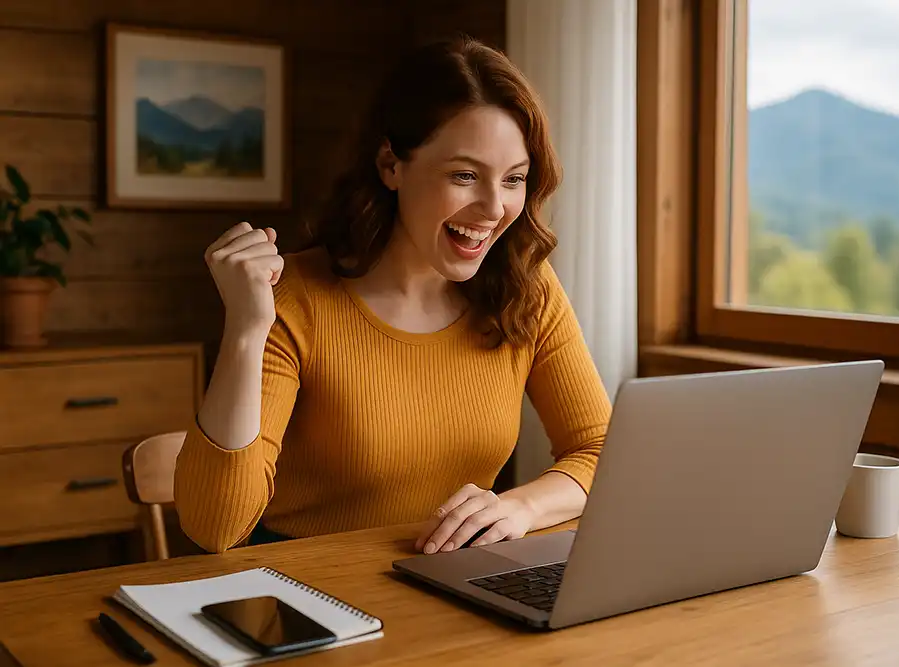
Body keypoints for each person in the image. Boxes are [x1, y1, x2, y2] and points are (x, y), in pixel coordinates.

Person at [173, 35, 612, 555]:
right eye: (465, 175)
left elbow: (601, 449)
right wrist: (247, 329)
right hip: (305, 594)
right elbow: (215, 528)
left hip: (453, 587)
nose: (494, 208)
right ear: (391, 165)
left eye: (514, 180)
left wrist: (522, 506)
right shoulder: (292, 299)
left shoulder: (526, 287)